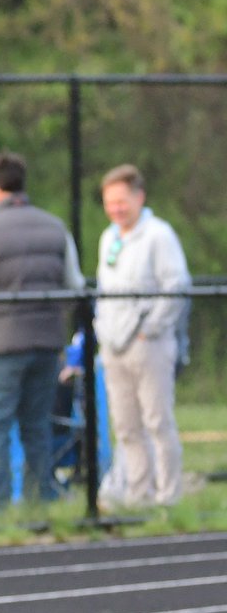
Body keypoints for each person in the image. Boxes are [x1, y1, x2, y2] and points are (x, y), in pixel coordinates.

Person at [0, 150, 86, 509]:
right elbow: (74, 286)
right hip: (46, 343)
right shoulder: (56, 226)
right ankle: (39, 501)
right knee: (37, 425)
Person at [93, 164, 190, 509]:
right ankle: (139, 493)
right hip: (114, 346)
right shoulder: (109, 237)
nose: (116, 209)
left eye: (121, 201)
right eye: (109, 202)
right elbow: (104, 289)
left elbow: (176, 286)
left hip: (148, 345)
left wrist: (151, 329)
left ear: (139, 197)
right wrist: (102, 329)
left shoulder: (158, 235)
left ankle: (168, 496)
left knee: (157, 421)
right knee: (126, 425)